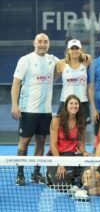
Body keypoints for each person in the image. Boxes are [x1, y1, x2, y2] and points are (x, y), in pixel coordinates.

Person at [11, 33, 59, 186]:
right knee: (24, 141)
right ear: (34, 43)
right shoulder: (25, 60)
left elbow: (69, 62)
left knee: (41, 141)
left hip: (45, 111)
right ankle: (20, 174)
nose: (42, 44)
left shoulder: (53, 60)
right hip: (28, 109)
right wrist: (14, 105)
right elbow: (16, 84)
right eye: (40, 41)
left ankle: (36, 174)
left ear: (49, 44)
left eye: (45, 42)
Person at [46, 95, 88, 194]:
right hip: (56, 156)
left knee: (90, 170)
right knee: (63, 187)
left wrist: (84, 151)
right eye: (71, 103)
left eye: (76, 103)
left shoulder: (81, 121)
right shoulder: (56, 120)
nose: (74, 106)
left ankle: (73, 176)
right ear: (66, 106)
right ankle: (49, 173)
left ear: (79, 106)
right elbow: (53, 145)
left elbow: (80, 142)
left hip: (71, 155)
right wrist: (60, 162)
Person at [56, 39, 90, 123]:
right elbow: (52, 79)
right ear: (68, 50)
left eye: (77, 48)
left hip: (82, 102)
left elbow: (88, 56)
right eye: (72, 48)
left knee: (81, 131)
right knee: (63, 130)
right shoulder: (61, 64)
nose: (74, 50)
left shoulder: (86, 62)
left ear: (81, 50)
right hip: (65, 102)